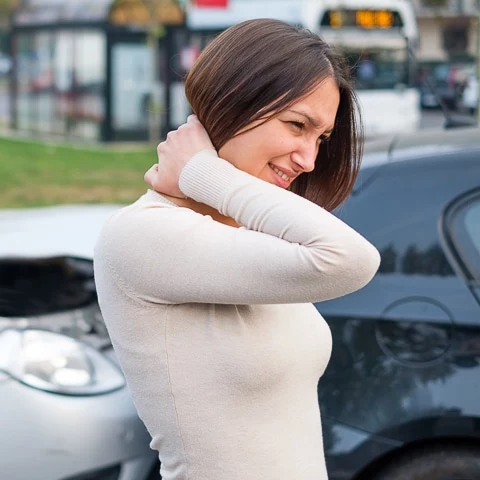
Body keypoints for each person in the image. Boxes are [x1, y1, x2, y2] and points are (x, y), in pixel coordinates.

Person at [94, 18, 380, 480]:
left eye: (321, 139)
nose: (309, 159)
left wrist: (212, 178)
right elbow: (351, 260)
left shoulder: (251, 235)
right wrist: (205, 173)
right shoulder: (143, 236)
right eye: (297, 126)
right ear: (233, 100)